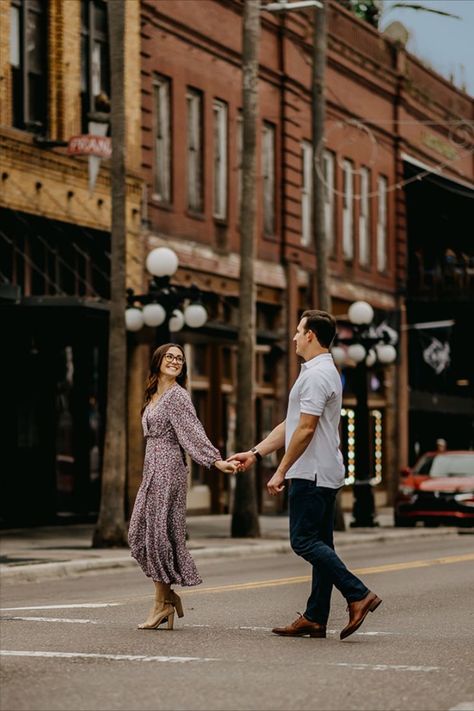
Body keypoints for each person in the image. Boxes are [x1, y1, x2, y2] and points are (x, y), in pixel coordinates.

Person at [229, 310, 382, 641]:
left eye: (299, 331)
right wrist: (256, 454)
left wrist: (281, 470)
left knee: (304, 541)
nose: (294, 337)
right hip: (323, 471)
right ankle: (315, 616)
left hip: (310, 473)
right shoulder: (321, 371)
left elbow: (306, 429)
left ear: (311, 334)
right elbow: (292, 424)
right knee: (320, 544)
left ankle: (358, 594)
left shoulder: (315, 376)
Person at [128, 343, 237, 630]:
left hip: (168, 470)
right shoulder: (153, 393)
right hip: (151, 469)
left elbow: (192, 432)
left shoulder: (178, 396)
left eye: (180, 358)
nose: (175, 361)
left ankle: (160, 605)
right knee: (139, 535)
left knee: (158, 536)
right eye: (170, 357)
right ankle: (168, 598)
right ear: (158, 361)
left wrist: (215, 461)